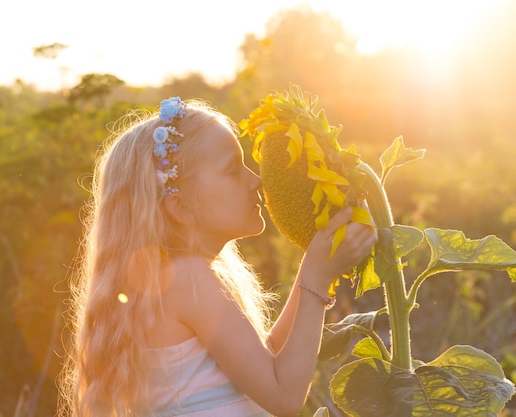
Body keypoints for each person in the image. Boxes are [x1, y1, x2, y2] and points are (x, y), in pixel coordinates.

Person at [60, 97, 377, 417]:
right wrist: (317, 278)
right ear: (181, 207)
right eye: (232, 169)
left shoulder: (176, 279)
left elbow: (263, 361)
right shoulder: (188, 279)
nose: (256, 180)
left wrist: (315, 268)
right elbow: (284, 397)